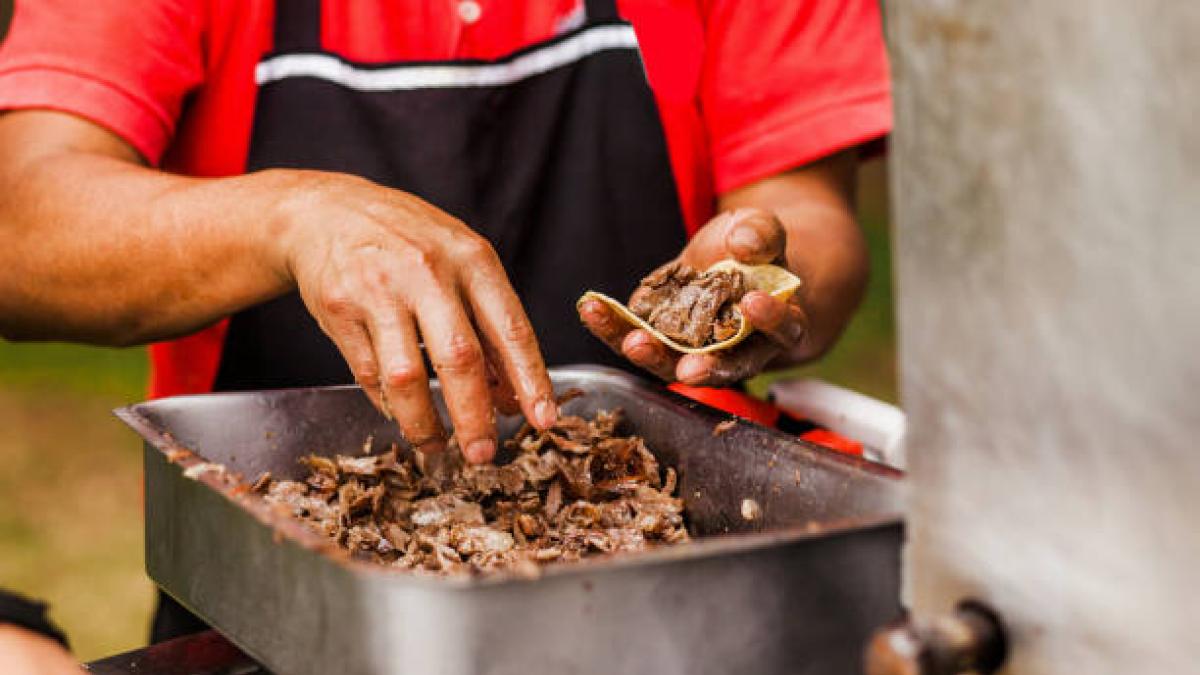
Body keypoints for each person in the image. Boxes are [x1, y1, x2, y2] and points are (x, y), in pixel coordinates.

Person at [0, 0, 890, 644]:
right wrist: (293, 215)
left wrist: (761, 277)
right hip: (280, 612)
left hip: (664, 601)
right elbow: (21, 231)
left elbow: (808, 214)